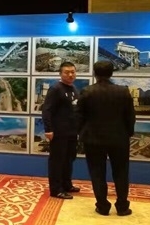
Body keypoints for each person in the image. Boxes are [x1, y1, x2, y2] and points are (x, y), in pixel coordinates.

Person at [76, 61, 136, 216]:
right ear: (111, 73)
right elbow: (130, 117)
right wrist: (127, 133)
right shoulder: (123, 91)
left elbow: (79, 116)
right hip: (119, 138)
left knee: (97, 172)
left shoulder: (87, 91)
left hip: (93, 139)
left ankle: (102, 206)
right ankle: (122, 206)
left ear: (94, 73)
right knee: (121, 172)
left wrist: (82, 133)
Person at [41, 61, 81, 200]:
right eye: (67, 72)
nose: (70, 75)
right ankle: (56, 189)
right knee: (57, 161)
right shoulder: (55, 89)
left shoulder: (74, 88)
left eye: (73, 72)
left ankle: (66, 184)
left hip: (71, 132)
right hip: (58, 132)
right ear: (60, 74)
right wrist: (48, 129)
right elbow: (47, 110)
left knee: (69, 159)